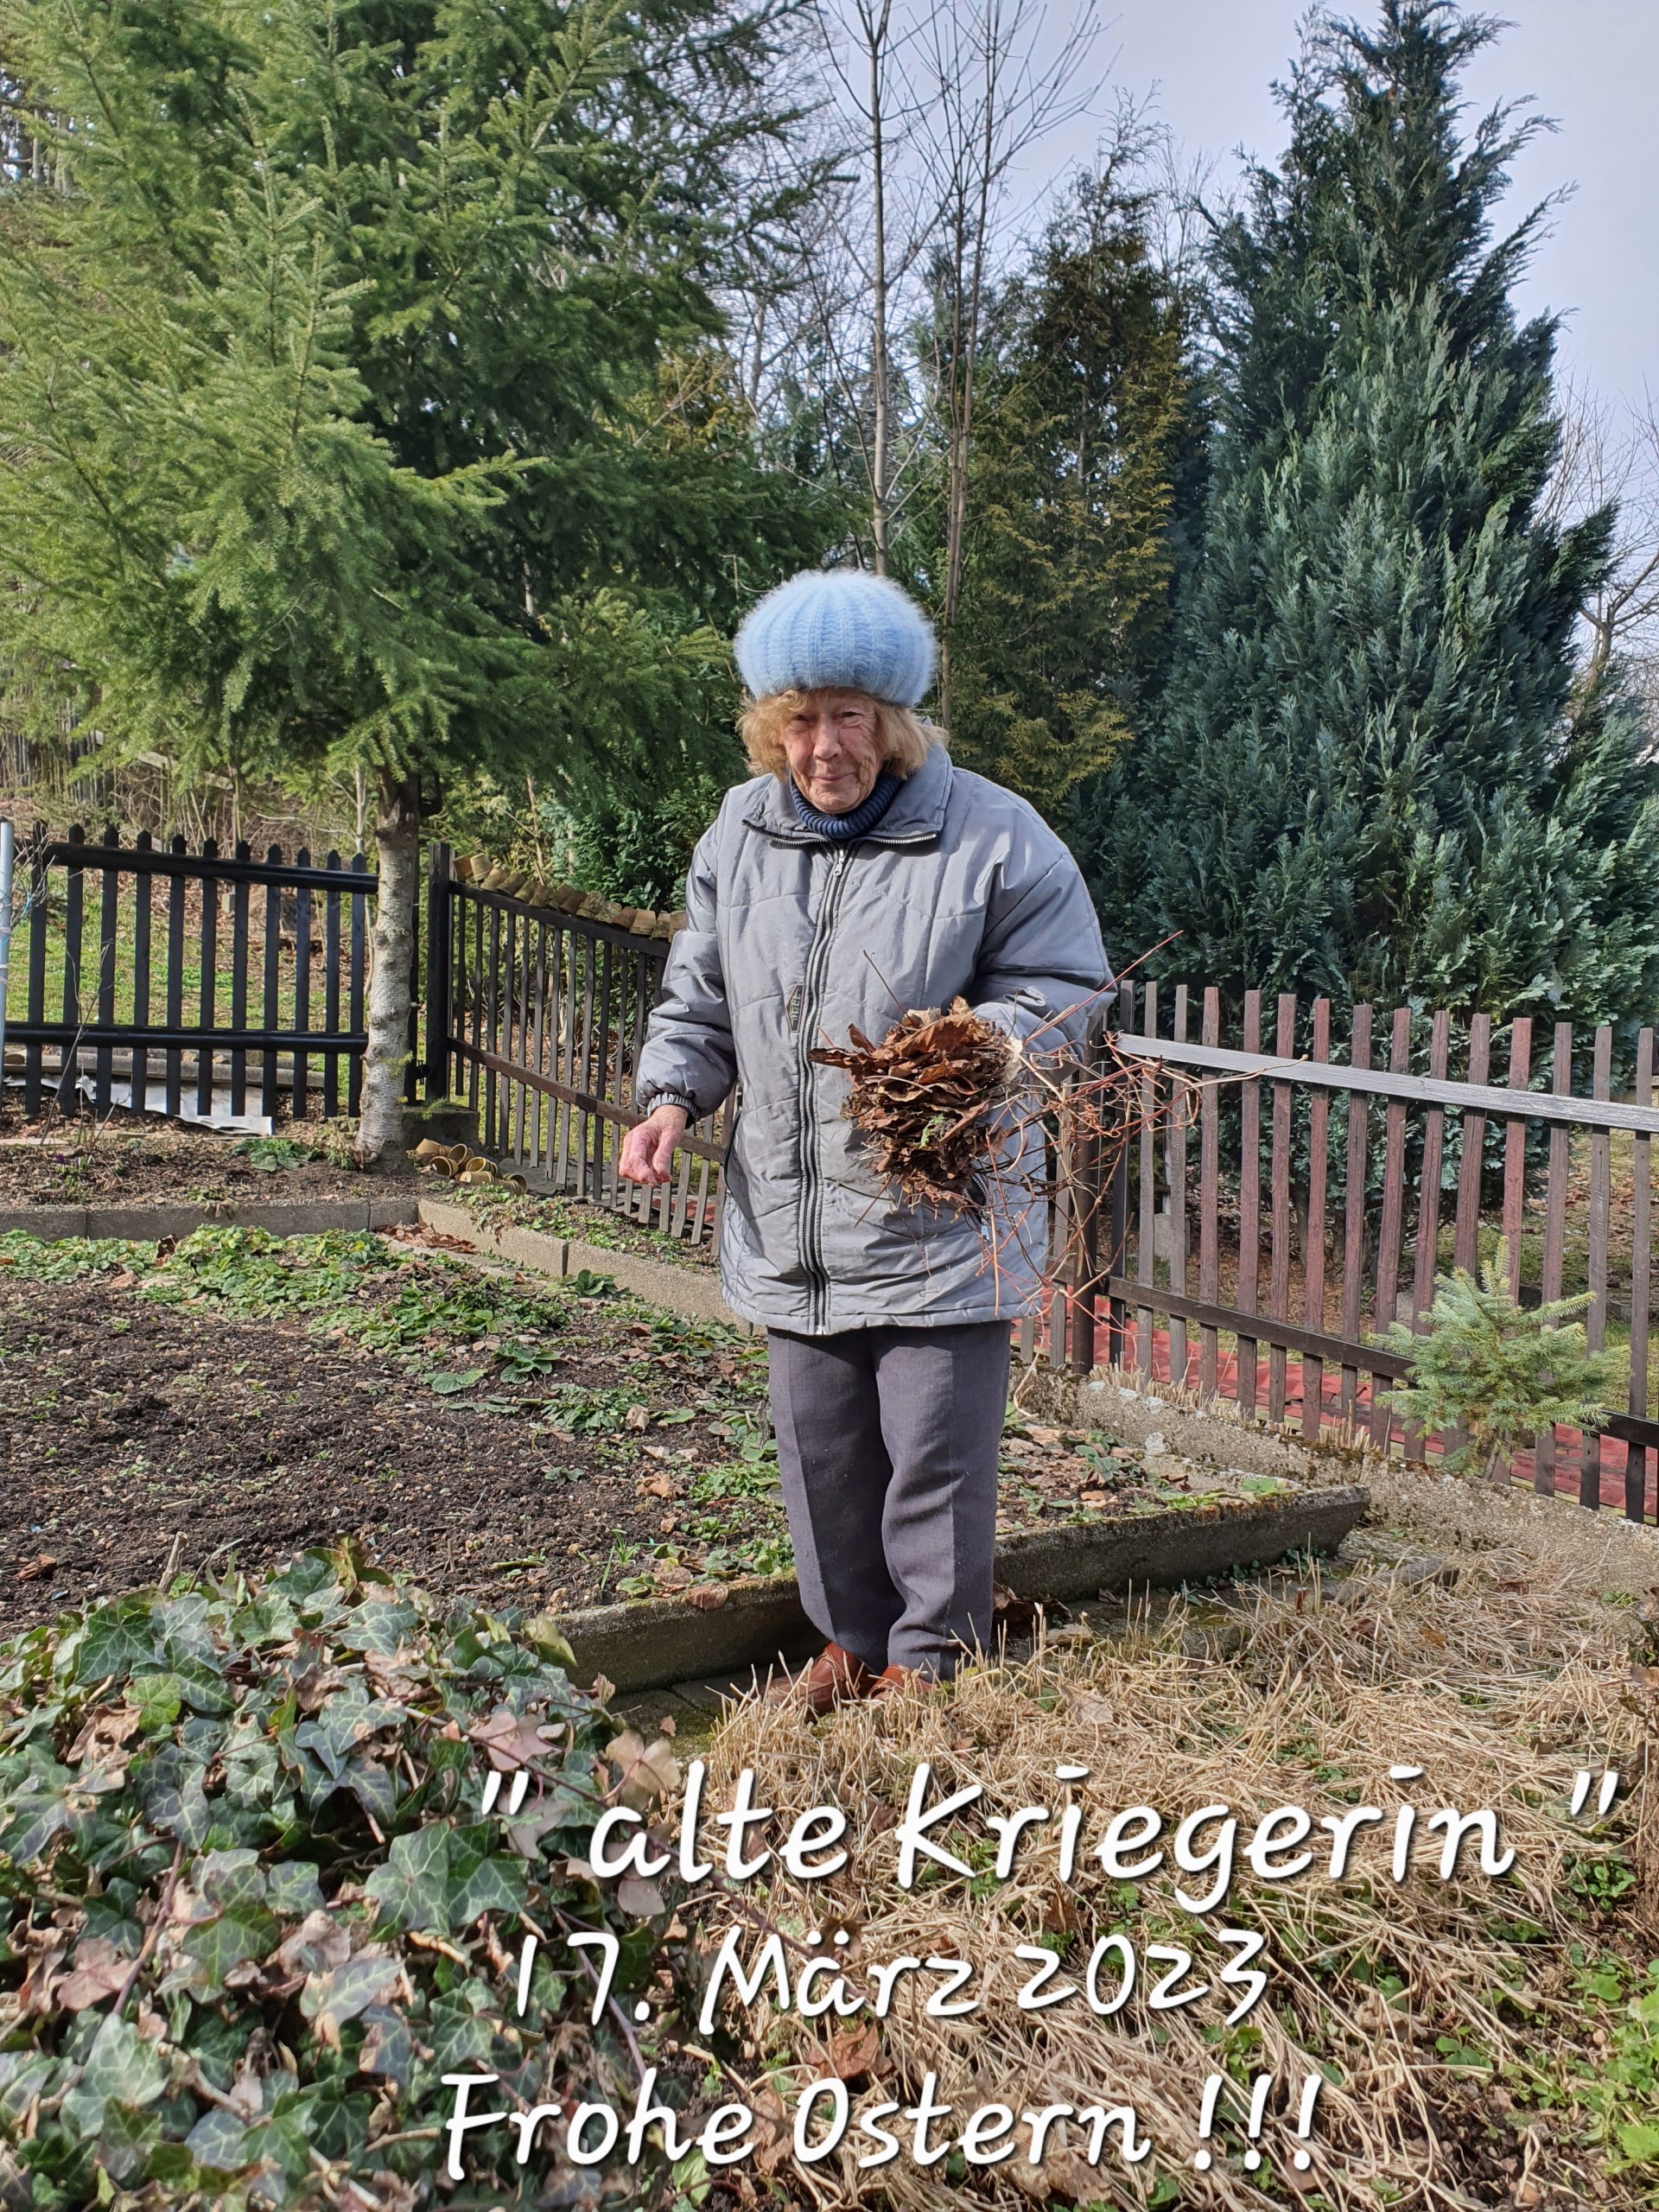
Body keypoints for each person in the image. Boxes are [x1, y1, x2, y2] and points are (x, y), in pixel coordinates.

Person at [619, 568, 1109, 1712]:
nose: (824, 746)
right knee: (823, 1454)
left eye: (849, 716)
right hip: (794, 1215)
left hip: (941, 1213)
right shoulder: (740, 833)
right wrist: (670, 1098)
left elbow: (1068, 989)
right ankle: (851, 1641)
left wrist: (966, 1046)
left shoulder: (994, 834)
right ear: (769, 728)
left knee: (934, 1460)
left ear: (892, 723)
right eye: (799, 719)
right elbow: (701, 995)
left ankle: (928, 1668)